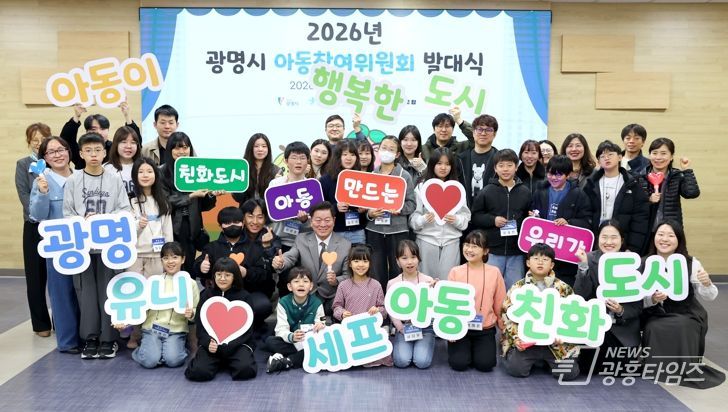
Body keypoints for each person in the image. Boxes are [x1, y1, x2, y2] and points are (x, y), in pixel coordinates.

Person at [63, 132, 132, 359]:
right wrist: (83, 221)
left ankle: (108, 339)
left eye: (97, 150)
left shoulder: (114, 179)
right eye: (88, 150)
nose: (93, 154)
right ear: (81, 154)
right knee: (86, 294)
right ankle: (90, 338)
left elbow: (124, 210)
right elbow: (67, 213)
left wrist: (104, 220)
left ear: (105, 153)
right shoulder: (73, 180)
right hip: (83, 248)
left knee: (107, 291)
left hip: (109, 248)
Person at [641, 220, 724, 389]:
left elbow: (710, 296)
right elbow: (638, 300)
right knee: (654, 327)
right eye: (660, 234)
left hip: (687, 312)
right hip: (656, 313)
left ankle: (683, 369)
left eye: (670, 235)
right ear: (654, 237)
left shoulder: (691, 263)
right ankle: (658, 369)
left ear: (679, 239)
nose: (664, 239)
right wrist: (653, 299)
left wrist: (707, 283)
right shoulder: (644, 263)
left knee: (682, 325)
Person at [29, 136, 79, 352]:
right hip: (58, 249)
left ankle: (87, 337)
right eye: (51, 152)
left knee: (83, 294)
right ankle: (68, 341)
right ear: (45, 158)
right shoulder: (42, 180)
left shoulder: (80, 176)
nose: (58, 155)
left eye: (61, 149)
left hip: (83, 245)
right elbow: (36, 215)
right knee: (61, 295)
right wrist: (43, 193)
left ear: (69, 151)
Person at [500, 243, 580, 380]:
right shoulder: (518, 287)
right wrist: (516, 338)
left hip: (554, 343)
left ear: (552, 265)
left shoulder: (563, 288)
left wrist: (563, 336)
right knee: (516, 370)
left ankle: (548, 362)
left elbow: (572, 315)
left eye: (545, 259)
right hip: (527, 342)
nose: (540, 262)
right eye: (536, 258)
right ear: (528, 263)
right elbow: (507, 315)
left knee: (568, 374)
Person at [574, 220, 641, 372]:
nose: (609, 242)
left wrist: (621, 310)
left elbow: (638, 306)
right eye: (604, 237)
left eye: (614, 237)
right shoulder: (589, 258)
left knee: (623, 370)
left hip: (622, 328)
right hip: (595, 326)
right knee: (587, 369)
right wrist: (583, 265)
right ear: (598, 238)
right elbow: (580, 295)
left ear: (621, 240)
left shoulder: (631, 262)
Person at [194, 207, 273, 327]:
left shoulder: (255, 248)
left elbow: (264, 274)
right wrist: (201, 267)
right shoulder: (211, 247)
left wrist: (246, 272)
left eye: (236, 222)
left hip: (248, 293)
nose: (232, 226)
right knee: (202, 304)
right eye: (227, 223)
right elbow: (197, 266)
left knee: (263, 305)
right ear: (220, 226)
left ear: (243, 223)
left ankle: (250, 329)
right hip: (218, 293)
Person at [125, 242, 200, 369]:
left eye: (175, 257)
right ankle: (146, 350)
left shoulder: (190, 283)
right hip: (152, 329)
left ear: (183, 259)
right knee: (149, 362)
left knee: (173, 361)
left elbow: (196, 310)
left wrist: (191, 313)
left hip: (176, 331)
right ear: (161, 261)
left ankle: (172, 351)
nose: (170, 261)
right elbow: (142, 307)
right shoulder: (153, 281)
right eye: (166, 258)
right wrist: (126, 322)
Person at [272, 201, 351, 316]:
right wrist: (281, 262)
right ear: (311, 221)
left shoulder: (345, 244)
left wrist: (336, 280)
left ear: (334, 221)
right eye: (318, 220)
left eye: (327, 220)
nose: (322, 225)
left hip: (332, 297)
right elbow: (291, 256)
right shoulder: (301, 239)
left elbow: (348, 276)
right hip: (307, 296)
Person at [185, 258, 257, 381]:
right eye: (219, 274)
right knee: (198, 372)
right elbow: (200, 326)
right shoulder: (206, 295)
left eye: (227, 275)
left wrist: (229, 346)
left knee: (245, 370)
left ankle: (228, 362)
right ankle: (215, 362)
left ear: (235, 277)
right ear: (214, 276)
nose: (222, 278)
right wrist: (208, 343)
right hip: (211, 345)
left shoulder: (244, 297)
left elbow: (247, 330)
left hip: (237, 345)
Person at [471, 149, 531, 289]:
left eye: (509, 165)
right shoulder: (486, 191)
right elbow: (475, 217)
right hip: (493, 250)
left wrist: (530, 217)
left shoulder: (525, 192)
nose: (505, 169)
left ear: (516, 167)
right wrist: (493, 220)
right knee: (489, 287)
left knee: (514, 290)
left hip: (516, 251)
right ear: (495, 168)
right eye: (501, 165)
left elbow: (528, 217)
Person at [447, 230, 506, 372]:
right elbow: (449, 304)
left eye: (475, 246)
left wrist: (504, 330)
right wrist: (449, 329)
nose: (469, 249)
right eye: (467, 245)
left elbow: (500, 303)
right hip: (460, 328)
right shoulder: (455, 272)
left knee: (485, 365)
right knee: (459, 364)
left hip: (485, 328)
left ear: (485, 251)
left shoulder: (494, 272)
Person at [161, 132, 219, 273]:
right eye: (177, 148)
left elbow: (205, 206)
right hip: (171, 226)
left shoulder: (198, 170)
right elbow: (164, 202)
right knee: (171, 264)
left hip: (191, 226)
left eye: (185, 147)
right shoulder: (162, 172)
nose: (182, 151)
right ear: (169, 150)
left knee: (188, 266)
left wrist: (211, 195)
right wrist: (191, 196)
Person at [15, 122, 53, 337]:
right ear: (29, 142)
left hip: (56, 227)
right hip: (34, 226)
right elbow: (23, 194)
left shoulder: (55, 161)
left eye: (42, 140)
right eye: (34, 140)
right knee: (35, 278)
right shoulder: (23, 164)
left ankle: (62, 321)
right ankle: (41, 324)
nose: (38, 144)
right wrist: (38, 213)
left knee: (59, 277)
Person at [410, 147, 470, 280]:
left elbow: (465, 217)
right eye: (439, 163)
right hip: (426, 240)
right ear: (432, 165)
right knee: (425, 281)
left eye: (447, 164)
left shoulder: (457, 188)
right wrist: (424, 219)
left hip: (451, 241)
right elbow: (413, 218)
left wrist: (456, 220)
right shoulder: (421, 187)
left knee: (448, 282)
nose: (443, 167)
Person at [531, 155, 592, 287]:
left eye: (559, 175)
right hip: (543, 249)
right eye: (550, 173)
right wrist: (533, 216)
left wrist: (569, 222)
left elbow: (587, 221)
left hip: (565, 254)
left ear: (568, 175)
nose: (553, 178)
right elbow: (532, 212)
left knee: (563, 288)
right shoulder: (540, 191)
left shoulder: (578, 194)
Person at [365, 135, 416, 292]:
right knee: (376, 270)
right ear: (378, 150)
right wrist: (370, 214)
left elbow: (412, 204)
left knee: (398, 269)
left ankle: (398, 301)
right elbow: (364, 205)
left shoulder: (404, 176)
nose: (387, 151)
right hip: (374, 230)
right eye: (384, 148)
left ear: (398, 154)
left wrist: (400, 210)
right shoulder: (371, 175)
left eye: (391, 149)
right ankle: (379, 302)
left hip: (398, 231)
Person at [583, 140, 650, 253]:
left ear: (620, 157)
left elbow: (640, 218)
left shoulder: (632, 184)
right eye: (602, 156)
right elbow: (585, 213)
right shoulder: (591, 184)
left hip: (622, 242)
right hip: (596, 240)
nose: (606, 158)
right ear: (598, 161)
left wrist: (632, 248)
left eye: (610, 154)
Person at [332, 244, 392, 367]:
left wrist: (377, 310)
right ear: (350, 263)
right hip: (350, 330)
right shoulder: (343, 285)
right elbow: (336, 307)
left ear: (370, 263)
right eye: (356, 261)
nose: (361, 264)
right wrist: (342, 313)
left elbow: (384, 309)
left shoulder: (376, 285)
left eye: (365, 261)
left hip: (370, 331)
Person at [264, 267, 326, 373]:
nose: (301, 285)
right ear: (289, 286)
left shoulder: (317, 303)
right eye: (296, 281)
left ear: (311, 286)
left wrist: (321, 326)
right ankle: (299, 357)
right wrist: (292, 336)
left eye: (305, 281)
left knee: (320, 348)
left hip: (310, 342)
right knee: (270, 341)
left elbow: (322, 321)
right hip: (292, 342)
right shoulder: (283, 302)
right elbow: (281, 329)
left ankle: (287, 361)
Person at [388, 240, 436, 369]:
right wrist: (400, 328)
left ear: (419, 259)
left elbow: (434, 307)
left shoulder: (428, 281)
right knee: (401, 361)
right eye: (404, 258)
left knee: (422, 362)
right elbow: (392, 311)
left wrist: (436, 288)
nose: (409, 262)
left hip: (425, 328)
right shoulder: (393, 283)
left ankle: (428, 342)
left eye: (413, 257)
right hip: (404, 328)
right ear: (397, 261)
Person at [640, 137, 700, 233]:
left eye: (663, 153)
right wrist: (649, 199)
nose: (658, 157)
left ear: (671, 156)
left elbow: (692, 193)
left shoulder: (677, 176)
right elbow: (633, 204)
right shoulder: (641, 176)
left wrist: (686, 170)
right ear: (649, 155)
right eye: (654, 153)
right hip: (645, 230)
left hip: (670, 230)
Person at [61, 102, 140, 169]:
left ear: (108, 130)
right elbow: (65, 141)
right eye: (93, 129)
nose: (98, 132)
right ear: (87, 132)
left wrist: (127, 116)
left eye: (102, 129)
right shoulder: (81, 150)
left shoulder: (114, 148)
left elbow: (136, 141)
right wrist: (76, 116)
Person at [318, 140, 367, 245]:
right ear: (337, 157)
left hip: (357, 231)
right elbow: (319, 207)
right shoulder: (325, 180)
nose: (349, 158)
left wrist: (364, 209)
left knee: (359, 255)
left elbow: (370, 203)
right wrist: (335, 207)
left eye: (352, 155)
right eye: (344, 154)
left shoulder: (362, 178)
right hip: (335, 231)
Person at [458, 114, 499, 207]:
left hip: (491, 213)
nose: (483, 133)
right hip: (464, 212)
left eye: (488, 130)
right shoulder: (460, 159)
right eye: (479, 129)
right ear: (473, 132)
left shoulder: (501, 160)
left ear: (494, 134)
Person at [232, 133, 280, 208]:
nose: (260, 149)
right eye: (256, 146)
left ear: (268, 149)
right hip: (246, 211)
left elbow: (277, 198)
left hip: (267, 211)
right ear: (250, 148)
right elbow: (237, 198)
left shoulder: (276, 171)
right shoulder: (242, 169)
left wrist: (277, 184)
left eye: (264, 146)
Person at [241, 198, 281, 267]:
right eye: (250, 216)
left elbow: (274, 268)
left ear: (265, 219)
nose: (255, 222)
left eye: (260, 217)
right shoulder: (236, 236)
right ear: (243, 218)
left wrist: (267, 246)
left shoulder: (273, 238)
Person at [103, 126, 141, 197]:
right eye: (124, 142)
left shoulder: (143, 167)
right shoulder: (106, 169)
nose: (128, 146)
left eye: (133, 142)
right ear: (116, 145)